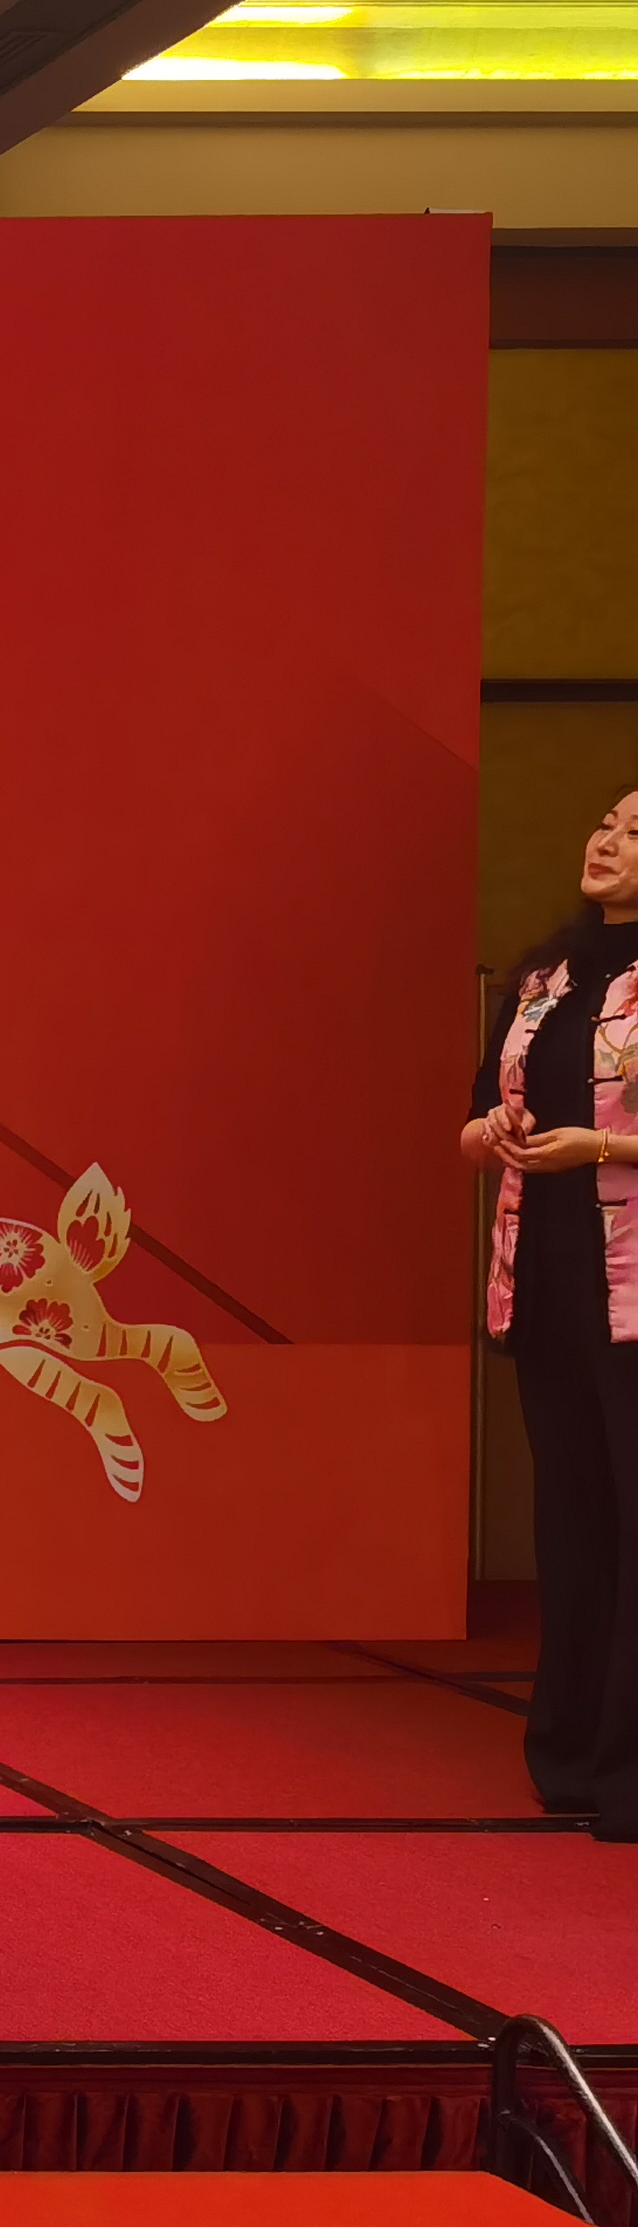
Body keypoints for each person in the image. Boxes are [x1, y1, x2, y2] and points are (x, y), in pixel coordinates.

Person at [467, 786, 638, 1835]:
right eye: (608, 823)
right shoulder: (549, 978)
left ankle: (628, 1774)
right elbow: (475, 1113)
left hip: (636, 1295)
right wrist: (491, 1131)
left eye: (636, 833)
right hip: (548, 1282)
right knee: (572, 1527)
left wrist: (604, 1147)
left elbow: (600, 1137)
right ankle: (569, 1757)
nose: (608, 841)